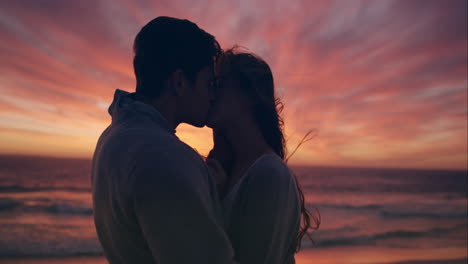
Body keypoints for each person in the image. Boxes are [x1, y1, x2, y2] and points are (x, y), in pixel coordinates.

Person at [91, 16, 237, 264]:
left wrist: (204, 188)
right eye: (208, 83)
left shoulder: (112, 137)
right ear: (179, 81)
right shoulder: (167, 157)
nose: (212, 95)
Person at [206, 47, 320, 264]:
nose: (210, 94)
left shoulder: (269, 174)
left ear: (249, 96)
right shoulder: (224, 168)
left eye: (219, 85)